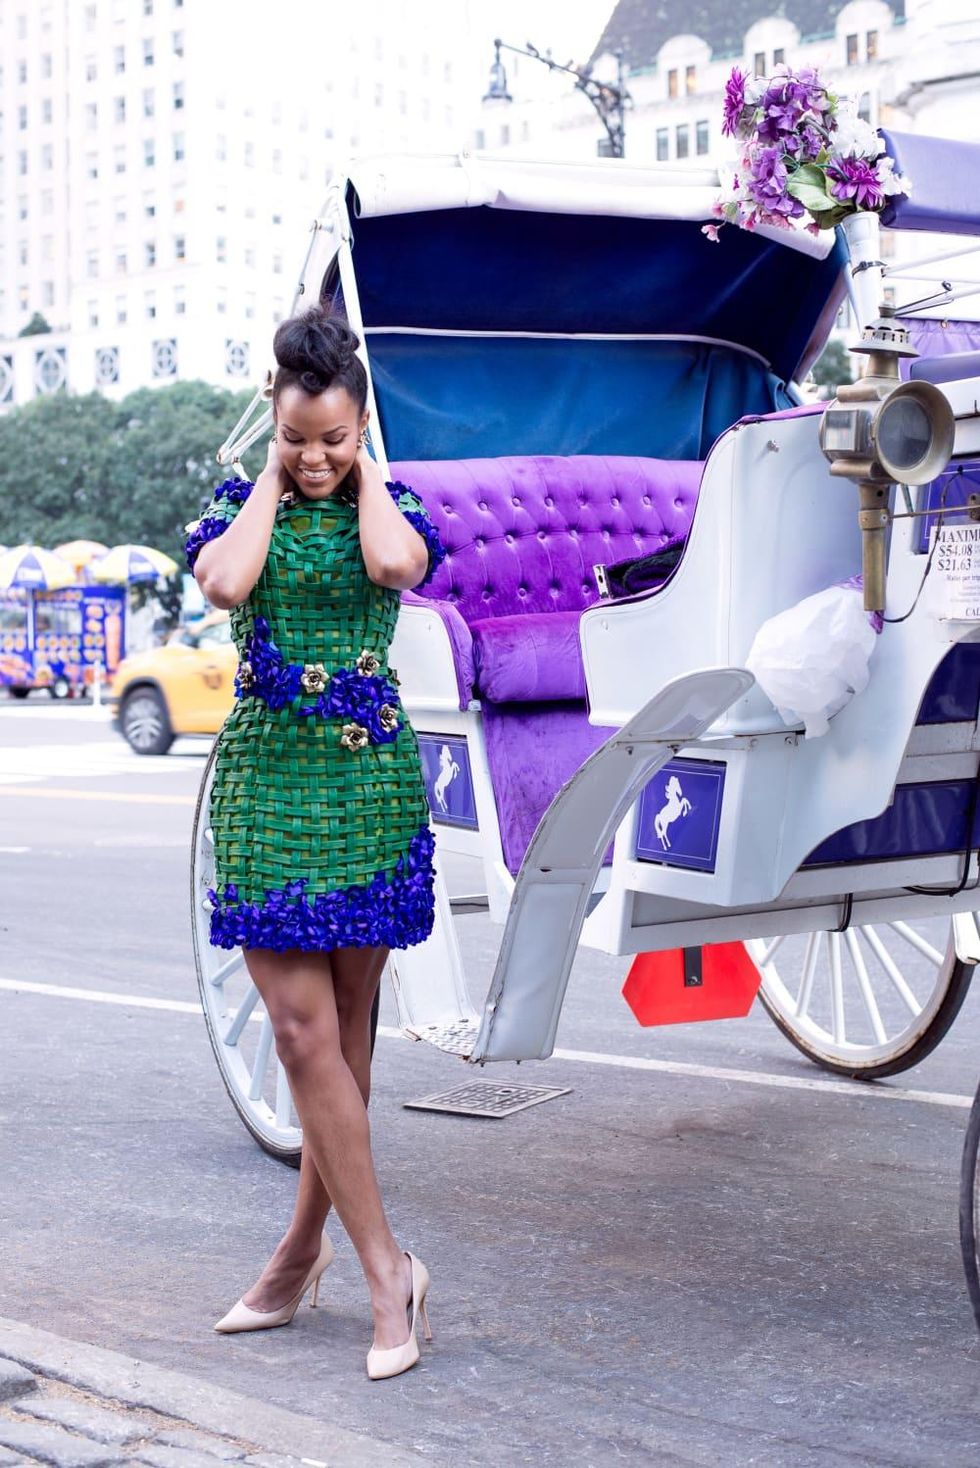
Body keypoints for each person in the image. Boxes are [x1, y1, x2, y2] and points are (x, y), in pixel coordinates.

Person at [187, 305, 445, 1381]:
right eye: (298, 438)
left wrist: (365, 465)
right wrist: (268, 472)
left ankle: (298, 1255)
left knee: (345, 1034)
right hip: (264, 790)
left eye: (335, 439)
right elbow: (223, 583)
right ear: (274, 418)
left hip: (366, 787)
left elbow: (398, 565)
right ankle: (387, 1268)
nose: (315, 459)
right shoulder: (235, 504)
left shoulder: (383, 500)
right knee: (301, 1038)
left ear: (361, 426)